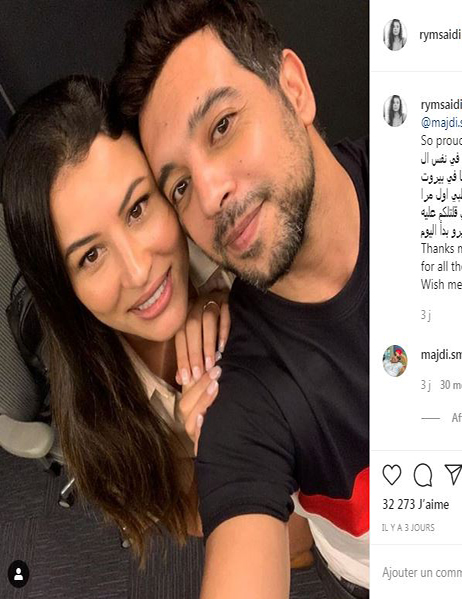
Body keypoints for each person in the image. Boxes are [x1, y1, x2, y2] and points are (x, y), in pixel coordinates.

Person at [112, 0, 369, 597]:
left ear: (294, 89)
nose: (208, 195)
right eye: (179, 185)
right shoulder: (239, 391)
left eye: (222, 126)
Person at [1, 75, 231, 557]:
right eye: (90, 256)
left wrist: (225, 304)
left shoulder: (234, 237)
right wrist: (227, 465)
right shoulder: (99, 434)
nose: (139, 269)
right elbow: (284, 543)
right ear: (64, 288)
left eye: (138, 208)